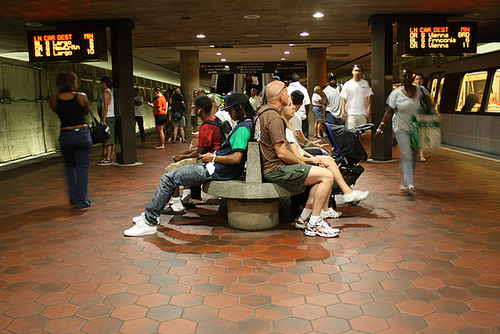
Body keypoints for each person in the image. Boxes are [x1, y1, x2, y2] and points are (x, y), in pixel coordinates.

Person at [124, 93, 255, 237]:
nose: (229, 113)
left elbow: (236, 158)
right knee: (171, 176)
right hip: (217, 169)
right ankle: (150, 214)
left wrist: (212, 158)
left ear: (240, 107)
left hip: (214, 170)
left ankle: (149, 221)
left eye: (230, 110)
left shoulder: (242, 128)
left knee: (168, 178)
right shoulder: (245, 124)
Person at [255, 80, 340, 238]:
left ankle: (304, 218)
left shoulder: (263, 113)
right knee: (327, 176)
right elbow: (282, 153)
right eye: (286, 92)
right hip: (277, 170)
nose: (289, 95)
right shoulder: (274, 117)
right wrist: (303, 163)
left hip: (271, 167)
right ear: (281, 97)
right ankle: (314, 223)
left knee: (320, 175)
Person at [280, 102, 370, 221]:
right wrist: (314, 160)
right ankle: (341, 196)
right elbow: (298, 156)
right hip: (297, 165)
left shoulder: (288, 127)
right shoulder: (287, 130)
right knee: (327, 170)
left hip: (300, 161)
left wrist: (312, 153)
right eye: (290, 105)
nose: (294, 107)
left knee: (326, 165)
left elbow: (299, 149)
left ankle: (310, 215)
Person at [163, 95, 225, 214]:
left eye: (195, 108)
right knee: (183, 163)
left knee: (170, 170)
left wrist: (182, 156)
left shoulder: (206, 126)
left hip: (209, 160)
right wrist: (184, 154)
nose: (194, 111)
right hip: (214, 156)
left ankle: (176, 204)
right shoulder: (215, 120)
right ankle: (186, 197)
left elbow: (199, 152)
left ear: (200, 109)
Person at [376, 67, 430, 192]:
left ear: (412, 77)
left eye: (408, 76)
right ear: (400, 78)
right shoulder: (396, 93)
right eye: (403, 76)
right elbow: (389, 111)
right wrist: (380, 128)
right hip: (401, 128)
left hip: (416, 128)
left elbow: (428, 105)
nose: (406, 79)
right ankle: (408, 182)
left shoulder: (420, 91)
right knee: (406, 154)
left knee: (413, 154)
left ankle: (409, 179)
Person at [49, 71, 92, 209]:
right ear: (74, 82)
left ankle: (73, 197)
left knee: (69, 167)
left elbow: (58, 112)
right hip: (82, 134)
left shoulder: (54, 99)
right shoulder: (81, 96)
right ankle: (82, 200)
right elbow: (86, 112)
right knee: (82, 168)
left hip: (65, 135)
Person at [341, 64, 373, 129]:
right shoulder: (347, 84)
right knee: (351, 134)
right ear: (352, 72)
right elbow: (344, 100)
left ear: (361, 73)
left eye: (359, 71)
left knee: (363, 135)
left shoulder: (365, 83)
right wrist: (343, 112)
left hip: (362, 114)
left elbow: (368, 97)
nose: (357, 72)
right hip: (351, 114)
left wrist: (368, 109)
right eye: (355, 70)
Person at [98, 76, 115, 165]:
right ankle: (111, 156)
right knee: (111, 137)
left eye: (101, 83)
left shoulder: (105, 93)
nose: (100, 84)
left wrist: (103, 119)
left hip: (108, 117)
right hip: (112, 116)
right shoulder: (111, 92)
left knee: (107, 138)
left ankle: (108, 158)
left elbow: (105, 107)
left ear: (104, 83)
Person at [287, 74, 311, 138]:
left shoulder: (287, 89)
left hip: (289, 116)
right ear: (301, 103)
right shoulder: (303, 89)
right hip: (302, 116)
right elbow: (307, 104)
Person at [414, 73, 430, 162]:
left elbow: (429, 102)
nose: (418, 81)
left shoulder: (424, 91)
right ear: (414, 80)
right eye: (417, 79)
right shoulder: (411, 90)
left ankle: (421, 155)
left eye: (420, 79)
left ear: (422, 80)